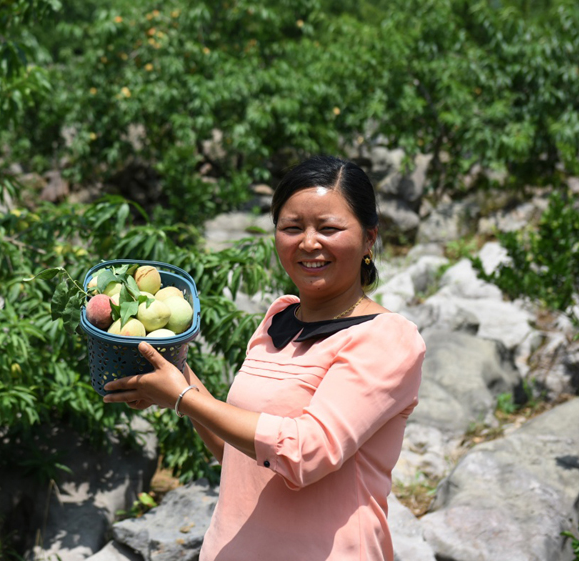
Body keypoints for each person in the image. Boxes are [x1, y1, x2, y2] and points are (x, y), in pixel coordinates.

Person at [103, 155, 426, 561]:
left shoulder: (387, 338)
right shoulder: (279, 317)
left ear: (368, 239)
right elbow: (241, 455)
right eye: (292, 228)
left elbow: (306, 453)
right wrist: (172, 371)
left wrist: (183, 398)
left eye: (329, 228)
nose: (309, 243)